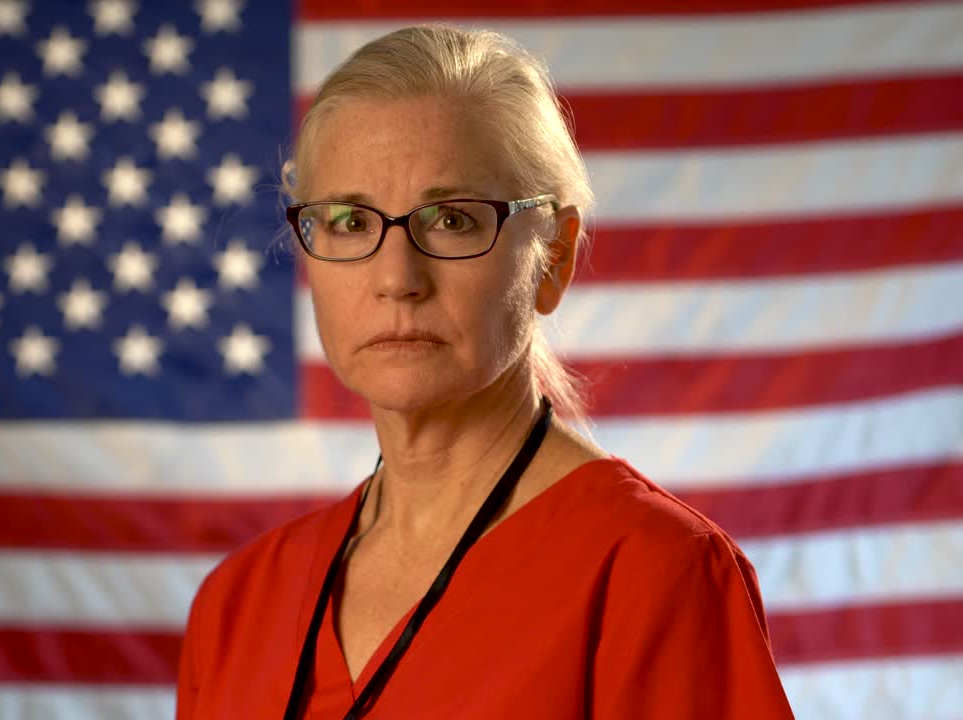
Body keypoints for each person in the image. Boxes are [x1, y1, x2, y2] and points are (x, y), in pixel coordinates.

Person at [177, 24, 795, 719]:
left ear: (553, 259)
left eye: (451, 219)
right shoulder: (238, 604)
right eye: (350, 220)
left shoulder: (652, 570)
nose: (397, 278)